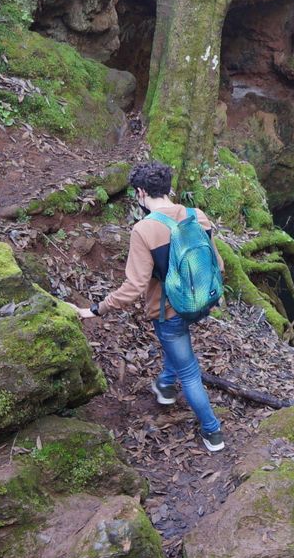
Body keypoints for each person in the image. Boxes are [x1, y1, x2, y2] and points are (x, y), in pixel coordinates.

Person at [76, 161, 226, 452]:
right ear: (168, 187)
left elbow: (134, 287)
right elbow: (217, 264)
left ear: (141, 192)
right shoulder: (197, 216)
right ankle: (166, 387)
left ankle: (213, 432)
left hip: (169, 312)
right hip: (201, 302)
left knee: (190, 373)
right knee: (178, 350)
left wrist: (95, 310)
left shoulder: (144, 230)